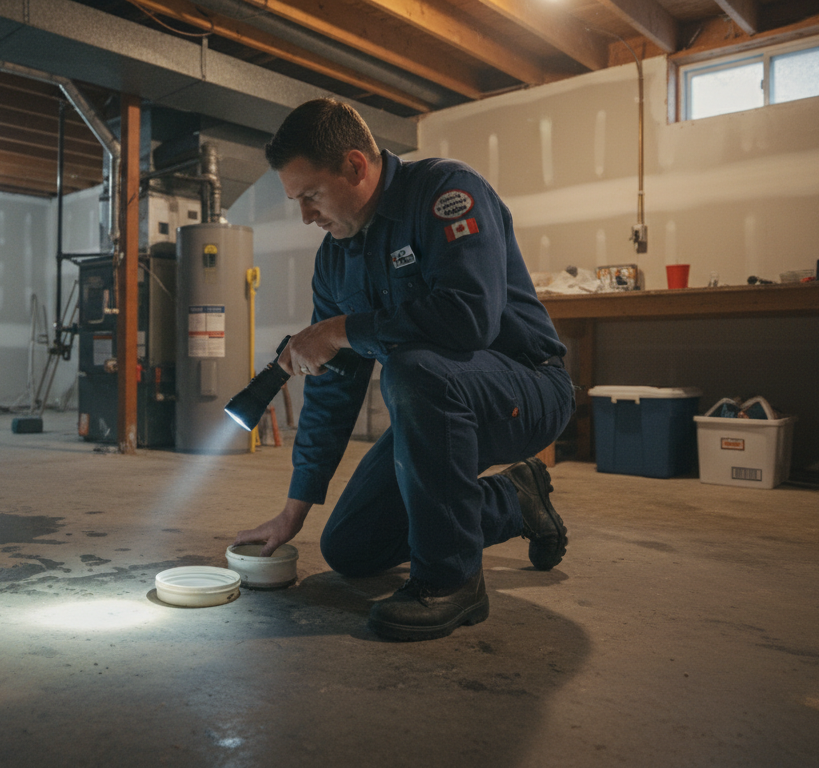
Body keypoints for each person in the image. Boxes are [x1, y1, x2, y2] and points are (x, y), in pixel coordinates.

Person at [233, 98, 575, 641]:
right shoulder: (334, 259)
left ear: (354, 166)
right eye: (296, 201)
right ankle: (515, 500)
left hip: (526, 389)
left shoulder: (446, 192)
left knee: (412, 371)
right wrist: (292, 512)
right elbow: (332, 388)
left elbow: (469, 318)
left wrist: (342, 329)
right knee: (349, 548)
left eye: (312, 195)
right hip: (434, 404)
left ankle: (450, 580)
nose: (306, 216)